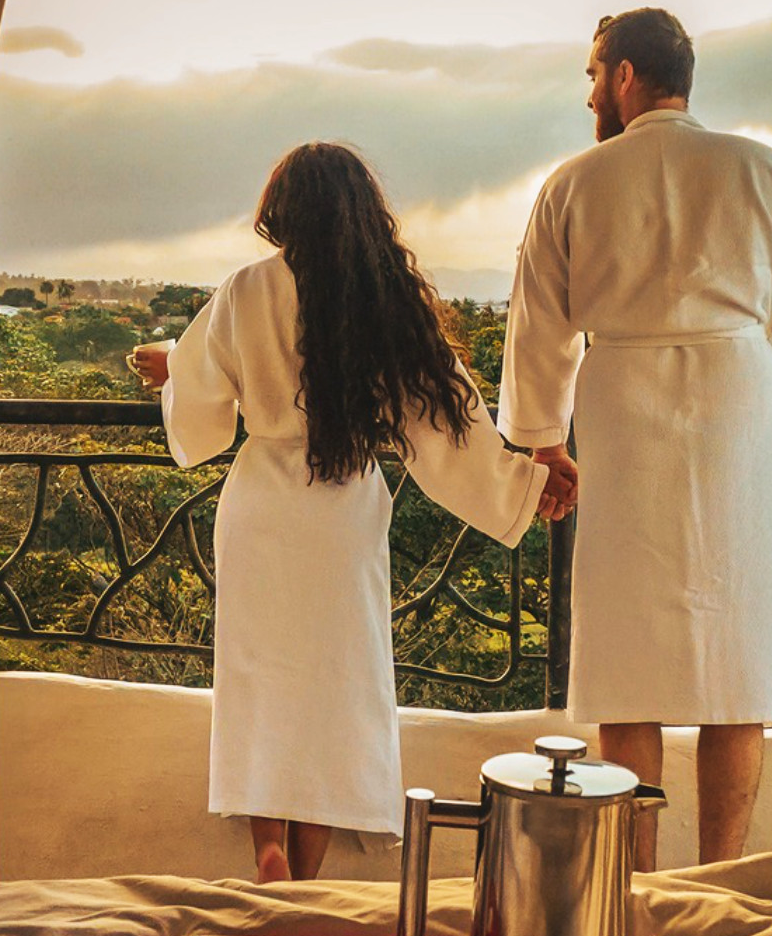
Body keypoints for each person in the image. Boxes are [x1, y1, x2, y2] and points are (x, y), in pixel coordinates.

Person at [129, 142, 576, 885]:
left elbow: (202, 393)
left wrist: (172, 365)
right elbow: (448, 424)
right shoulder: (385, 303)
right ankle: (301, 875)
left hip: (262, 506)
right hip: (340, 516)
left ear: (283, 211)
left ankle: (264, 848)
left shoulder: (246, 289)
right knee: (333, 687)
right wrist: (524, 485)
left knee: (258, 679)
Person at [497, 7, 772, 870]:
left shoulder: (575, 182)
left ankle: (635, 877)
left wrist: (541, 441)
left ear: (627, 76)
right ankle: (720, 872)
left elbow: (538, 324)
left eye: (594, 74)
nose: (590, 94)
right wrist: (771, 422)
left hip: (624, 413)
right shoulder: (766, 172)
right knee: (738, 666)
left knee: (627, 659)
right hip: (739, 413)